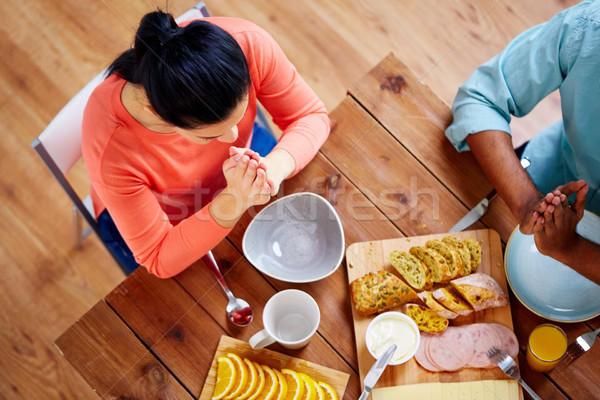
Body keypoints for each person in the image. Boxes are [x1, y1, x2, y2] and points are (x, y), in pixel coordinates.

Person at [82, 11, 330, 278]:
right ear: (156, 113)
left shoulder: (249, 44)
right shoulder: (111, 150)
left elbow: (310, 116)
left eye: (240, 113)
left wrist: (275, 167)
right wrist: (233, 200)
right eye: (208, 136)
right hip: (168, 217)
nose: (232, 136)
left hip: (241, 169)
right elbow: (157, 256)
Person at [445, 0, 600, 285]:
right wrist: (527, 201)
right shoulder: (591, 29)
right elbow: (480, 99)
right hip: (541, 179)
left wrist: (573, 250)